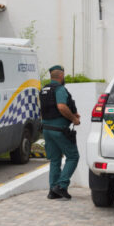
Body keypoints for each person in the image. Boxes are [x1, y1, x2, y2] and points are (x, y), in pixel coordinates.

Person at [40, 65, 80, 200]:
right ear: (61, 76)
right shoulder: (60, 89)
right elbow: (61, 106)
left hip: (47, 129)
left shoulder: (44, 89)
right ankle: (61, 186)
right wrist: (74, 118)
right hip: (59, 129)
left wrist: (72, 113)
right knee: (73, 156)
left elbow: (47, 109)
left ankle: (52, 191)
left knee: (55, 159)